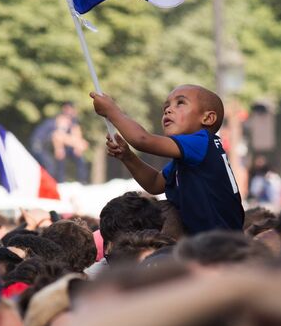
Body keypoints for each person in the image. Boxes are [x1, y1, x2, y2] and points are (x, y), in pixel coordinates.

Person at [90, 84, 244, 235]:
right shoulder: (190, 158)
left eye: (180, 103)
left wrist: (113, 112)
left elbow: (142, 140)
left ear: (208, 118)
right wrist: (128, 157)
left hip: (222, 247)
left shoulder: (201, 142)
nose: (168, 110)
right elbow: (155, 184)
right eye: (166, 107)